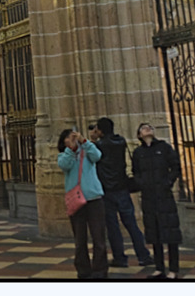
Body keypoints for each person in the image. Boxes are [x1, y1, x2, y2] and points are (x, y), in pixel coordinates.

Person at [92, 117, 153, 268]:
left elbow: (94, 157)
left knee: (113, 226)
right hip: (122, 187)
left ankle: (120, 258)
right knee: (131, 223)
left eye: (97, 129)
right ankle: (143, 255)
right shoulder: (121, 142)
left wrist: (92, 140)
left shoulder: (99, 145)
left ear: (100, 130)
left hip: (107, 190)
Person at [132, 122, 182, 280]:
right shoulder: (138, 152)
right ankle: (159, 268)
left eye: (149, 127)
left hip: (164, 195)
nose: (148, 128)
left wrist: (168, 182)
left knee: (170, 233)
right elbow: (136, 172)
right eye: (143, 128)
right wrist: (142, 183)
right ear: (139, 135)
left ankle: (173, 269)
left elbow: (175, 166)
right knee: (154, 233)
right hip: (149, 196)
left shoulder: (164, 148)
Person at [57, 128, 108, 279]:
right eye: (68, 137)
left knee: (98, 238)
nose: (71, 139)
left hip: (94, 198)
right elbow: (64, 165)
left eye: (73, 136)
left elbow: (97, 156)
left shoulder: (87, 151)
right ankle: (83, 270)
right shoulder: (63, 155)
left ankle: (99, 270)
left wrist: (84, 142)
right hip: (77, 201)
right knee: (80, 239)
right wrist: (71, 149)